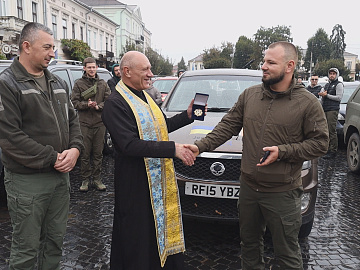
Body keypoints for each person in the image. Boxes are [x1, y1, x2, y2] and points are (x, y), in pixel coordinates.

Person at [186, 41, 329, 269]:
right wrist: (200, 146)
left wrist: (283, 152)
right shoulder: (250, 95)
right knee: (249, 247)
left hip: (282, 192)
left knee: (288, 254)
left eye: (271, 62)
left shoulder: (308, 103)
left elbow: (321, 144)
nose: (263, 66)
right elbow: (227, 126)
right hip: (249, 189)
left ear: (289, 66)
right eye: (264, 61)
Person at [101, 51, 196, 269]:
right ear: (127, 72)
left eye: (150, 69)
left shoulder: (146, 97)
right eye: (145, 70)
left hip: (157, 180)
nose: (151, 74)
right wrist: (173, 149)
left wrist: (187, 115)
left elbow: (161, 128)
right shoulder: (115, 103)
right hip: (135, 183)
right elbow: (129, 144)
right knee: (138, 235)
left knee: (156, 232)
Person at [0, 22, 84, 269]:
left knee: (55, 243)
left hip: (60, 179)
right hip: (28, 181)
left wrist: (76, 149)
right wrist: (54, 157)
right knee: (26, 250)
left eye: (54, 47)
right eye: (47, 47)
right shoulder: (7, 84)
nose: (53, 53)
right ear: (26, 46)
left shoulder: (57, 82)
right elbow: (9, 137)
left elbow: (73, 121)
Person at [71, 57, 111, 192]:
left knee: (98, 153)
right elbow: (74, 102)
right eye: (89, 67)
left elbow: (109, 101)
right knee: (85, 153)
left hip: (100, 123)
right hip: (84, 123)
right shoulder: (79, 83)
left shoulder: (102, 84)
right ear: (84, 69)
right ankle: (85, 179)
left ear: (96, 68)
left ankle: (97, 179)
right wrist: (86, 105)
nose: (92, 70)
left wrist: (99, 106)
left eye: (93, 67)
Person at [319, 67, 344, 158]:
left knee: (331, 130)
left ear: (336, 75)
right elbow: (323, 98)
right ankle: (328, 148)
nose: (332, 75)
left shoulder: (339, 84)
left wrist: (327, 95)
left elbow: (338, 98)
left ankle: (333, 150)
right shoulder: (327, 85)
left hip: (333, 110)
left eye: (333, 74)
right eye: (330, 74)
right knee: (326, 130)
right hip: (325, 109)